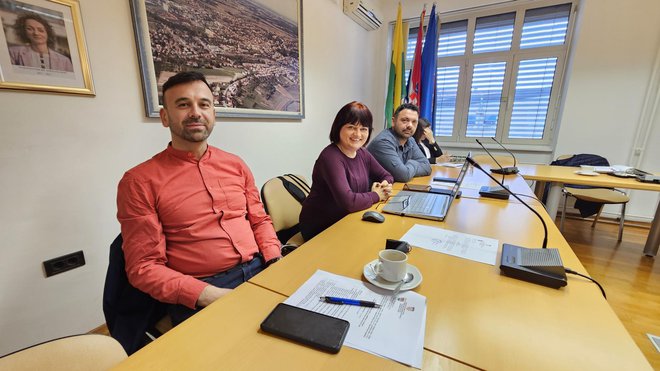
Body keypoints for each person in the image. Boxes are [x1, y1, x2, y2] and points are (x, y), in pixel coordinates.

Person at [116, 71, 281, 326]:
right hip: (204, 288)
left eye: (204, 104)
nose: (195, 112)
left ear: (213, 113)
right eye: (183, 104)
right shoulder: (139, 181)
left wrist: (275, 260)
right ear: (164, 117)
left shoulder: (235, 164)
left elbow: (259, 220)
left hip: (261, 266)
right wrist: (211, 296)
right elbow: (144, 267)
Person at [299, 101, 393, 241]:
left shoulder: (362, 153)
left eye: (364, 129)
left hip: (349, 218)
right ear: (338, 128)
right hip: (322, 226)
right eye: (351, 127)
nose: (358, 134)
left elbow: (386, 175)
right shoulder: (330, 157)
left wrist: (384, 185)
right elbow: (348, 202)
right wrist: (376, 195)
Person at [367, 103, 431, 182]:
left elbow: (427, 167)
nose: (410, 125)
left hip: (393, 188)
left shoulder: (410, 140)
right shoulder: (383, 142)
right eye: (405, 120)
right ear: (393, 121)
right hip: (373, 192)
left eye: (414, 122)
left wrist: (407, 167)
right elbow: (403, 176)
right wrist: (414, 163)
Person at [8, 13, 73, 72]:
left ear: (47, 33)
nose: (36, 33)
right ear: (24, 31)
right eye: (30, 29)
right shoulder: (14, 53)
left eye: (41, 30)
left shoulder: (65, 61)